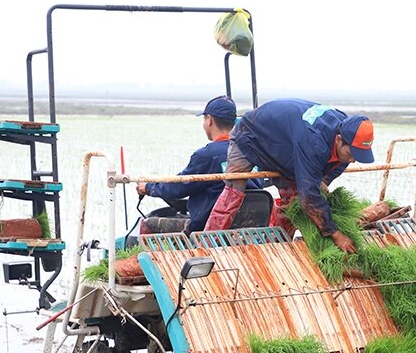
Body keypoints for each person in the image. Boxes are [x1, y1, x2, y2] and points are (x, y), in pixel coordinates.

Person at [204, 98, 374, 253]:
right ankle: (207, 244)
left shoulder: (344, 131)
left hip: (287, 149)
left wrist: (323, 182)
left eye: (358, 156)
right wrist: (335, 234)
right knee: (234, 189)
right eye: (352, 154)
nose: (353, 161)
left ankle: (276, 246)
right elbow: (309, 195)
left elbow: (337, 165)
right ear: (338, 140)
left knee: (291, 202)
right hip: (250, 136)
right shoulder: (313, 143)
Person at [136, 95, 246, 233]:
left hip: (208, 227)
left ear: (209, 120)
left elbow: (179, 186)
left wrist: (148, 187)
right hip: (248, 223)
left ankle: (150, 255)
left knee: (149, 223)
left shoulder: (207, 155)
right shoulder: (248, 152)